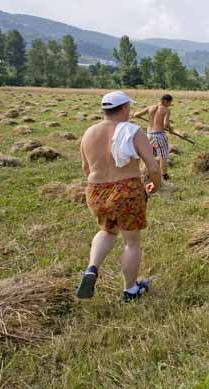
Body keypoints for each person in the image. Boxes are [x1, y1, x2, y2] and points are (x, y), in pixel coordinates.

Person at [76, 91, 161, 302]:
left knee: (107, 231)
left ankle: (92, 268)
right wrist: (155, 184)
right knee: (131, 243)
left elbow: (86, 168)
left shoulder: (89, 132)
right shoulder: (133, 131)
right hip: (127, 190)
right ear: (124, 108)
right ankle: (130, 290)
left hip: (95, 189)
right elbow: (152, 166)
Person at [133, 94, 175, 180]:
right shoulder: (166, 110)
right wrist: (170, 129)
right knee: (163, 156)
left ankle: (146, 173)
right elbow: (166, 124)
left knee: (150, 155)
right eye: (170, 102)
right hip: (159, 135)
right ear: (166, 101)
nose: (170, 104)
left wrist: (139, 115)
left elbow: (136, 115)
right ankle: (164, 175)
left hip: (149, 135)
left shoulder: (150, 107)